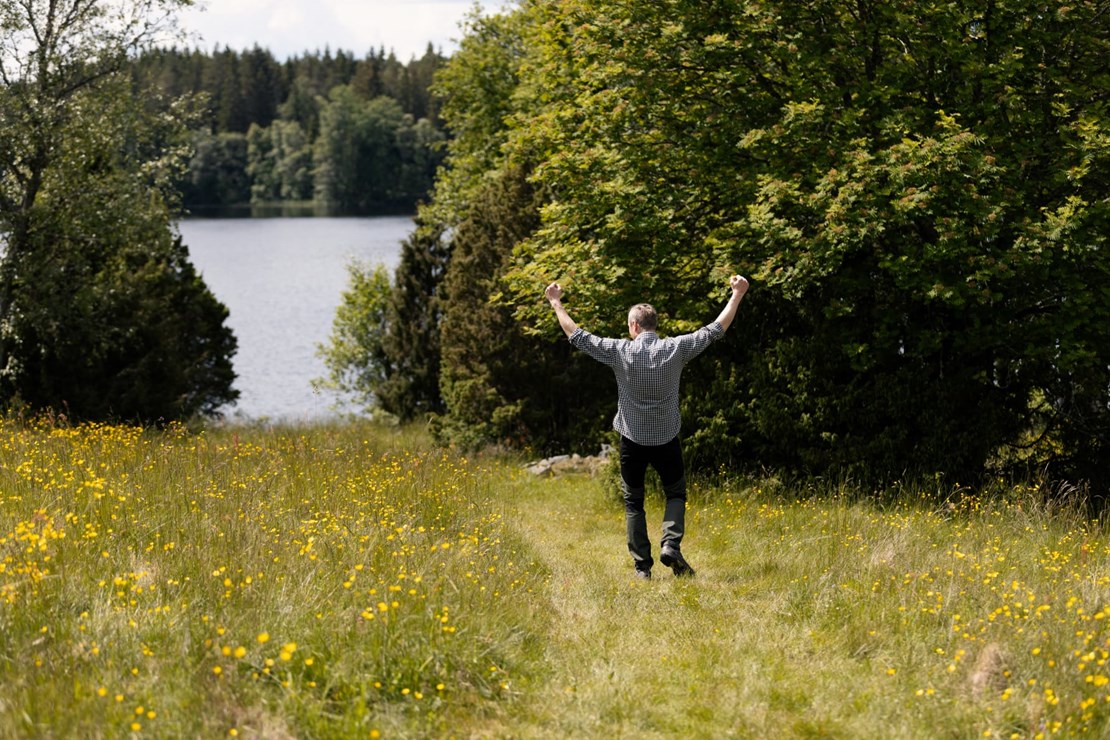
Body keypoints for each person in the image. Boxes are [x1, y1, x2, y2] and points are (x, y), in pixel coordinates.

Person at [544, 274, 749, 580]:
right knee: (675, 494)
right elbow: (715, 330)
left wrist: (556, 302)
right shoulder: (676, 349)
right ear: (654, 325)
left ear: (634, 326)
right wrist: (737, 294)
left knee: (633, 502)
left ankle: (643, 568)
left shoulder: (619, 351)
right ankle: (671, 544)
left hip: (632, 442)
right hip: (667, 439)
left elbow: (577, 336)